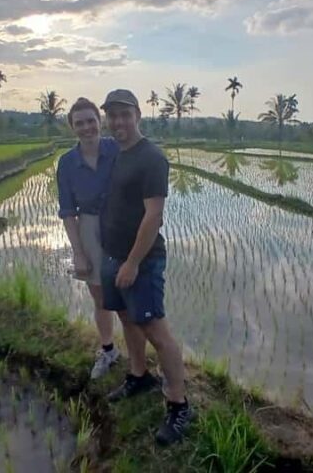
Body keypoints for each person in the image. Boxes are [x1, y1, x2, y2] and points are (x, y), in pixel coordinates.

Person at [99, 88, 193, 446]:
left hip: (142, 259)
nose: (118, 121)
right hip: (112, 255)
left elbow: (154, 215)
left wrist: (133, 263)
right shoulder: (116, 154)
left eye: (125, 114)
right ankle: (139, 376)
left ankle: (179, 403)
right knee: (126, 316)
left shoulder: (152, 158)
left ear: (138, 115)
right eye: (113, 115)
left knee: (156, 329)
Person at [57, 97, 121, 379]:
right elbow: (68, 211)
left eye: (91, 121)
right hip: (89, 226)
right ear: (72, 127)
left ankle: (140, 358)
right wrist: (78, 252)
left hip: (121, 224)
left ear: (100, 122)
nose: (86, 128)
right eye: (79, 123)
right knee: (100, 297)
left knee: (130, 293)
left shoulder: (117, 149)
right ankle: (108, 350)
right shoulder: (68, 163)